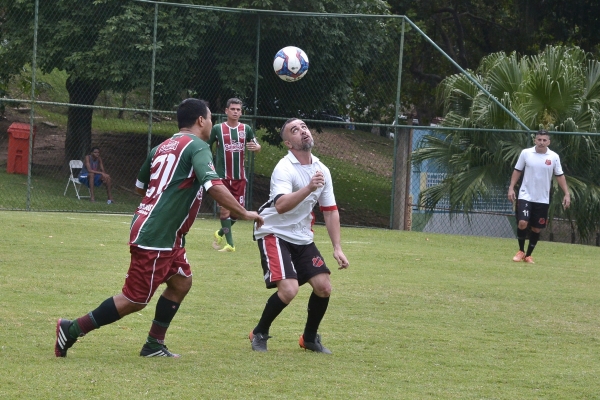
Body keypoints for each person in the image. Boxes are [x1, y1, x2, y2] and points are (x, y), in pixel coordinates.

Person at [55, 98, 264, 358]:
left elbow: (140, 186)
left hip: (165, 233)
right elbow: (213, 186)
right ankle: (72, 329)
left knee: (181, 283)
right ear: (201, 120)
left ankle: (154, 344)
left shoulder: (161, 147)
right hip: (157, 235)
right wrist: (242, 212)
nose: (211, 122)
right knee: (135, 299)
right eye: (210, 118)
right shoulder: (198, 146)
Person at [249, 118, 349, 354]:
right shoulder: (284, 167)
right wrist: (308, 188)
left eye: (304, 127)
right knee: (289, 289)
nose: (302, 131)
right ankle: (259, 332)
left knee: (324, 287)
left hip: (302, 236)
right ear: (287, 143)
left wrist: (337, 247)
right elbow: (282, 206)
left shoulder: (322, 169)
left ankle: (310, 338)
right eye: (295, 130)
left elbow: (331, 211)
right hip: (273, 231)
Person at [507, 129, 571, 264]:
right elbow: (517, 170)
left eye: (544, 140)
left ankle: (528, 255)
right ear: (535, 140)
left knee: (536, 228)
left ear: (549, 142)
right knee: (523, 222)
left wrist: (566, 193)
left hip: (542, 198)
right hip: (525, 195)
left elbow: (559, 176)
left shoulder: (553, 157)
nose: (541, 142)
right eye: (539, 139)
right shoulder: (526, 153)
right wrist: (511, 188)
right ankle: (520, 251)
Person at [208, 98, 261, 252]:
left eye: (238, 110)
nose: (236, 112)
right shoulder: (218, 128)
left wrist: (256, 147)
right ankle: (230, 244)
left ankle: (220, 233)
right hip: (222, 177)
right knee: (225, 210)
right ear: (226, 111)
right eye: (233, 109)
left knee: (238, 213)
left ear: (241, 112)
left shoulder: (246, 129)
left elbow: (257, 146)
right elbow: (206, 146)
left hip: (240, 177)